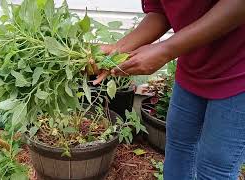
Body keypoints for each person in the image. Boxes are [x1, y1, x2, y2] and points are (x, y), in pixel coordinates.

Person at [91, 0, 245, 179]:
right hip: (193, 65)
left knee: (214, 168)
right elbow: (160, 10)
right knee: (178, 150)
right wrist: (117, 50)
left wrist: (165, 50)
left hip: (238, 70)